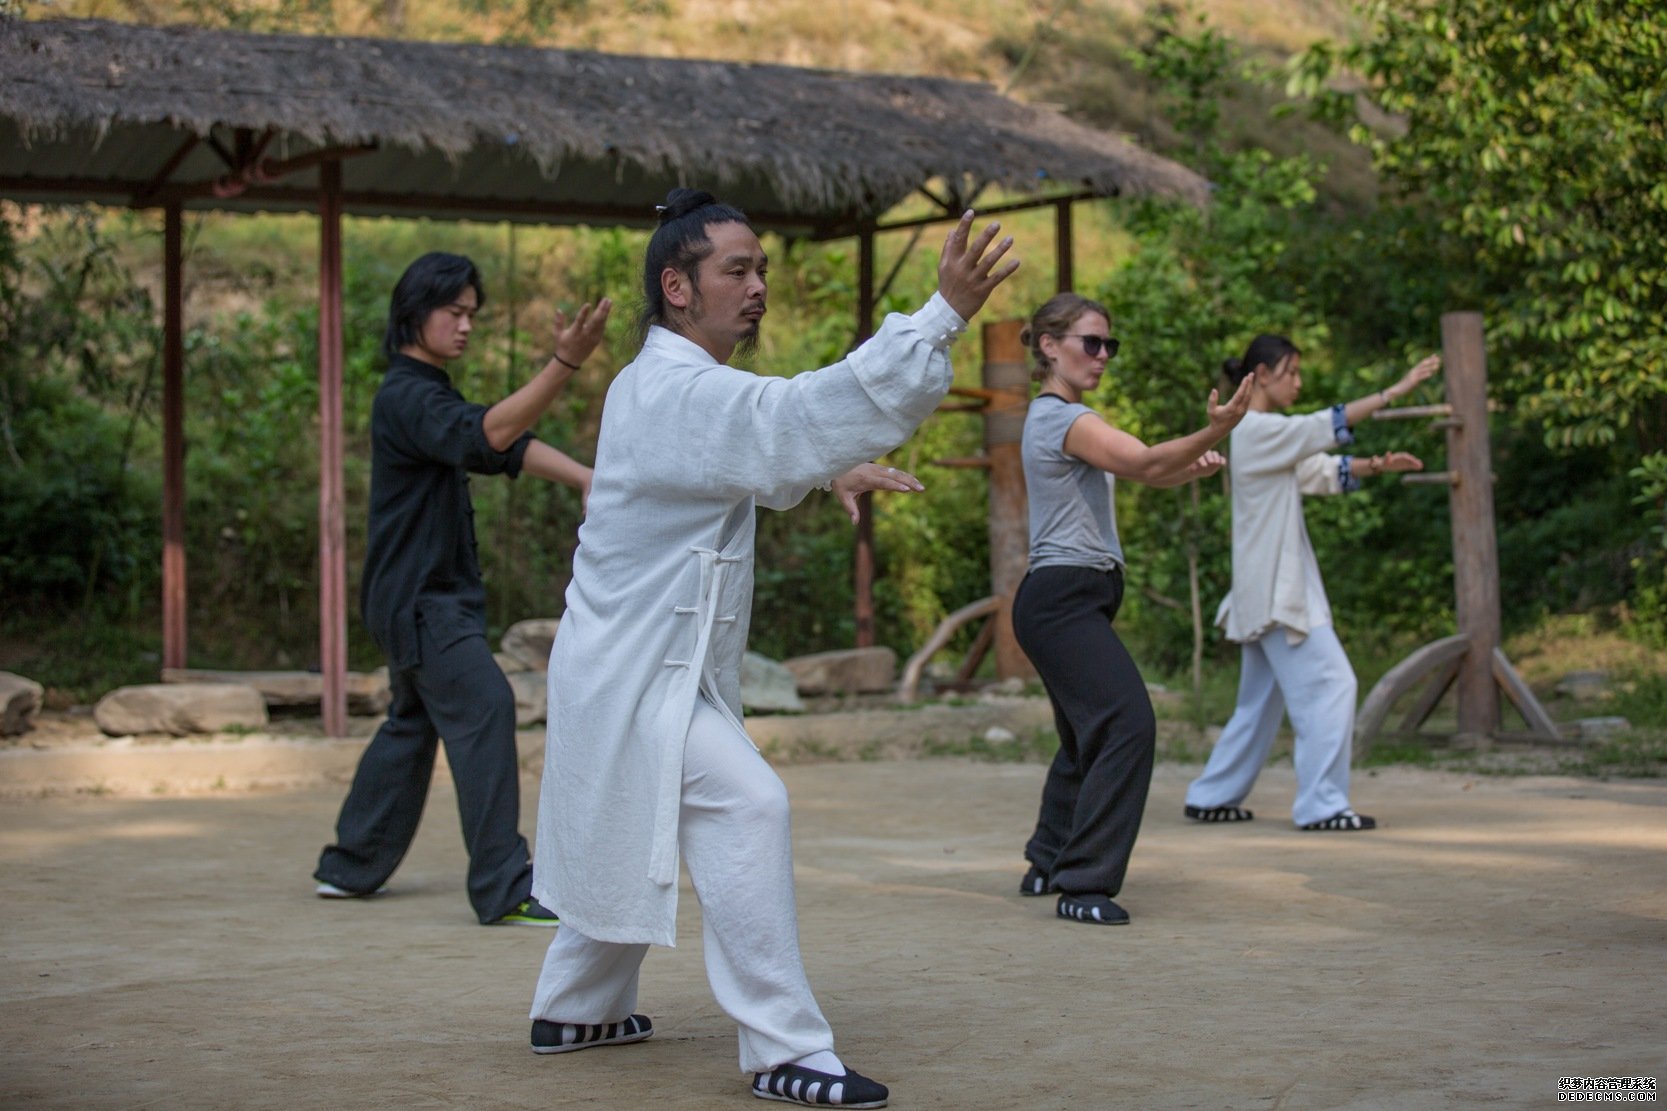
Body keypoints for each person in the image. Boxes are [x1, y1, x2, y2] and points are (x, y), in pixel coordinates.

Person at [526, 190, 1017, 1108]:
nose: (756, 286)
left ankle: (575, 1007)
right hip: (635, 671)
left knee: (634, 816)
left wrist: (828, 465)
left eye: (761, 270)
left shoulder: (663, 385)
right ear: (676, 286)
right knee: (748, 803)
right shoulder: (671, 387)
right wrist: (939, 316)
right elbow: (779, 421)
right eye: (735, 270)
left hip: (637, 665)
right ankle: (785, 1047)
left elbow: (747, 451)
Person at [313, 251, 610, 925]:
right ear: (415, 312)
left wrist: (583, 477)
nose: (466, 325)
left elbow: (497, 445)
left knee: (412, 722)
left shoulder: (425, 393)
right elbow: (490, 432)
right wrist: (563, 364)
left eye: (472, 313)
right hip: (422, 601)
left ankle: (350, 865)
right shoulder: (407, 396)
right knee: (486, 705)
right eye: (454, 312)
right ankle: (505, 886)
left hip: (415, 597)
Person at [1012, 292, 1254, 927]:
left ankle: (1047, 861)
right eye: (1091, 342)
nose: (1102, 355)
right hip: (1062, 599)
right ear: (1049, 346)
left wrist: (1187, 469)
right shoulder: (1062, 418)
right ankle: (1083, 883)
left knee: (1085, 735)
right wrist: (1218, 427)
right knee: (1127, 723)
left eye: (1108, 345)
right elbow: (1145, 460)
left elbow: (1151, 471)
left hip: (1068, 598)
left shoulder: (1063, 420)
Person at [1184, 335, 1437, 831]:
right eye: (1292, 372)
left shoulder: (1263, 434)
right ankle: (1323, 805)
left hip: (1262, 591)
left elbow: (1315, 471)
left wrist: (1377, 465)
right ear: (1261, 375)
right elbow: (1318, 429)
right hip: (1276, 594)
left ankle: (1212, 794)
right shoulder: (1255, 428)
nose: (1298, 383)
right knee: (1332, 685)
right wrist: (1393, 391)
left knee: (1260, 702)